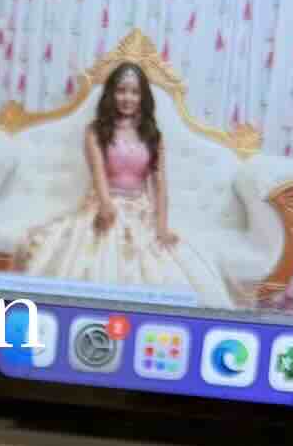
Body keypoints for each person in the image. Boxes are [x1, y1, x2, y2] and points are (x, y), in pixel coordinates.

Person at [15, 62, 232, 305]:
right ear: (111, 93)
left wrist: (161, 226)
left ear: (143, 97)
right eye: (121, 90)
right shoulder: (95, 131)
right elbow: (97, 173)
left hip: (141, 209)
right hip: (103, 204)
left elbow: (160, 184)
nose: (127, 98)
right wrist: (106, 206)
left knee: (165, 261)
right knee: (98, 252)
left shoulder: (152, 134)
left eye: (134, 92)